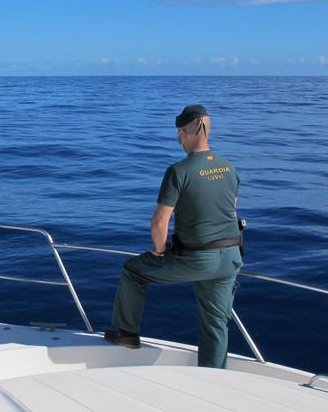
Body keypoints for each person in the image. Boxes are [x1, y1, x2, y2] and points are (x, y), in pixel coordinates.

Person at [104, 104, 242, 369]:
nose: (179, 138)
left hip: (197, 259)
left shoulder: (179, 171)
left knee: (134, 271)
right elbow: (231, 210)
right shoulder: (229, 168)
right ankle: (215, 380)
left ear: (184, 132)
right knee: (215, 324)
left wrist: (159, 251)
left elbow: (159, 223)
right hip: (230, 258)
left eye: (179, 133)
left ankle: (127, 333)